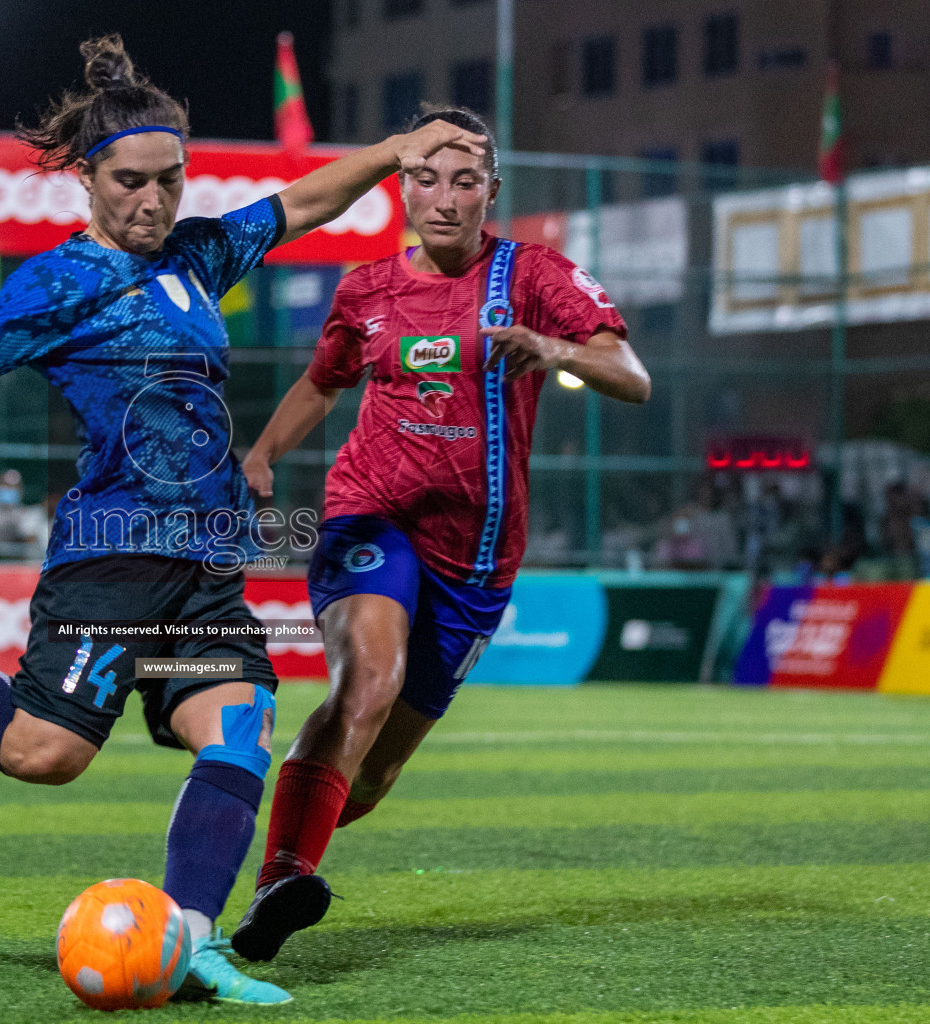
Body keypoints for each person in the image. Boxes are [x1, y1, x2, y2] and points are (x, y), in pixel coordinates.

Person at [0, 36, 487, 1006]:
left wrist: (393, 153)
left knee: (239, 724)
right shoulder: (58, 283)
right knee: (47, 754)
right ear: (87, 177)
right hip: (109, 566)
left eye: (170, 180)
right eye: (130, 182)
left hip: (202, 569)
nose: (153, 201)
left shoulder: (201, 255)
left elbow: (304, 204)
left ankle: (192, 937)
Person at [229, 104, 651, 962]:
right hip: (369, 514)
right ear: (403, 184)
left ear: (490, 191)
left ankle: (282, 817)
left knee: (373, 775)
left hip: (479, 558)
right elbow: (322, 382)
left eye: (466, 181)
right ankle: (278, 878)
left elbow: (630, 376)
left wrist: (555, 350)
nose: (445, 198)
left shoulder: (533, 276)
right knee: (366, 686)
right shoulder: (366, 289)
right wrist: (263, 455)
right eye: (426, 177)